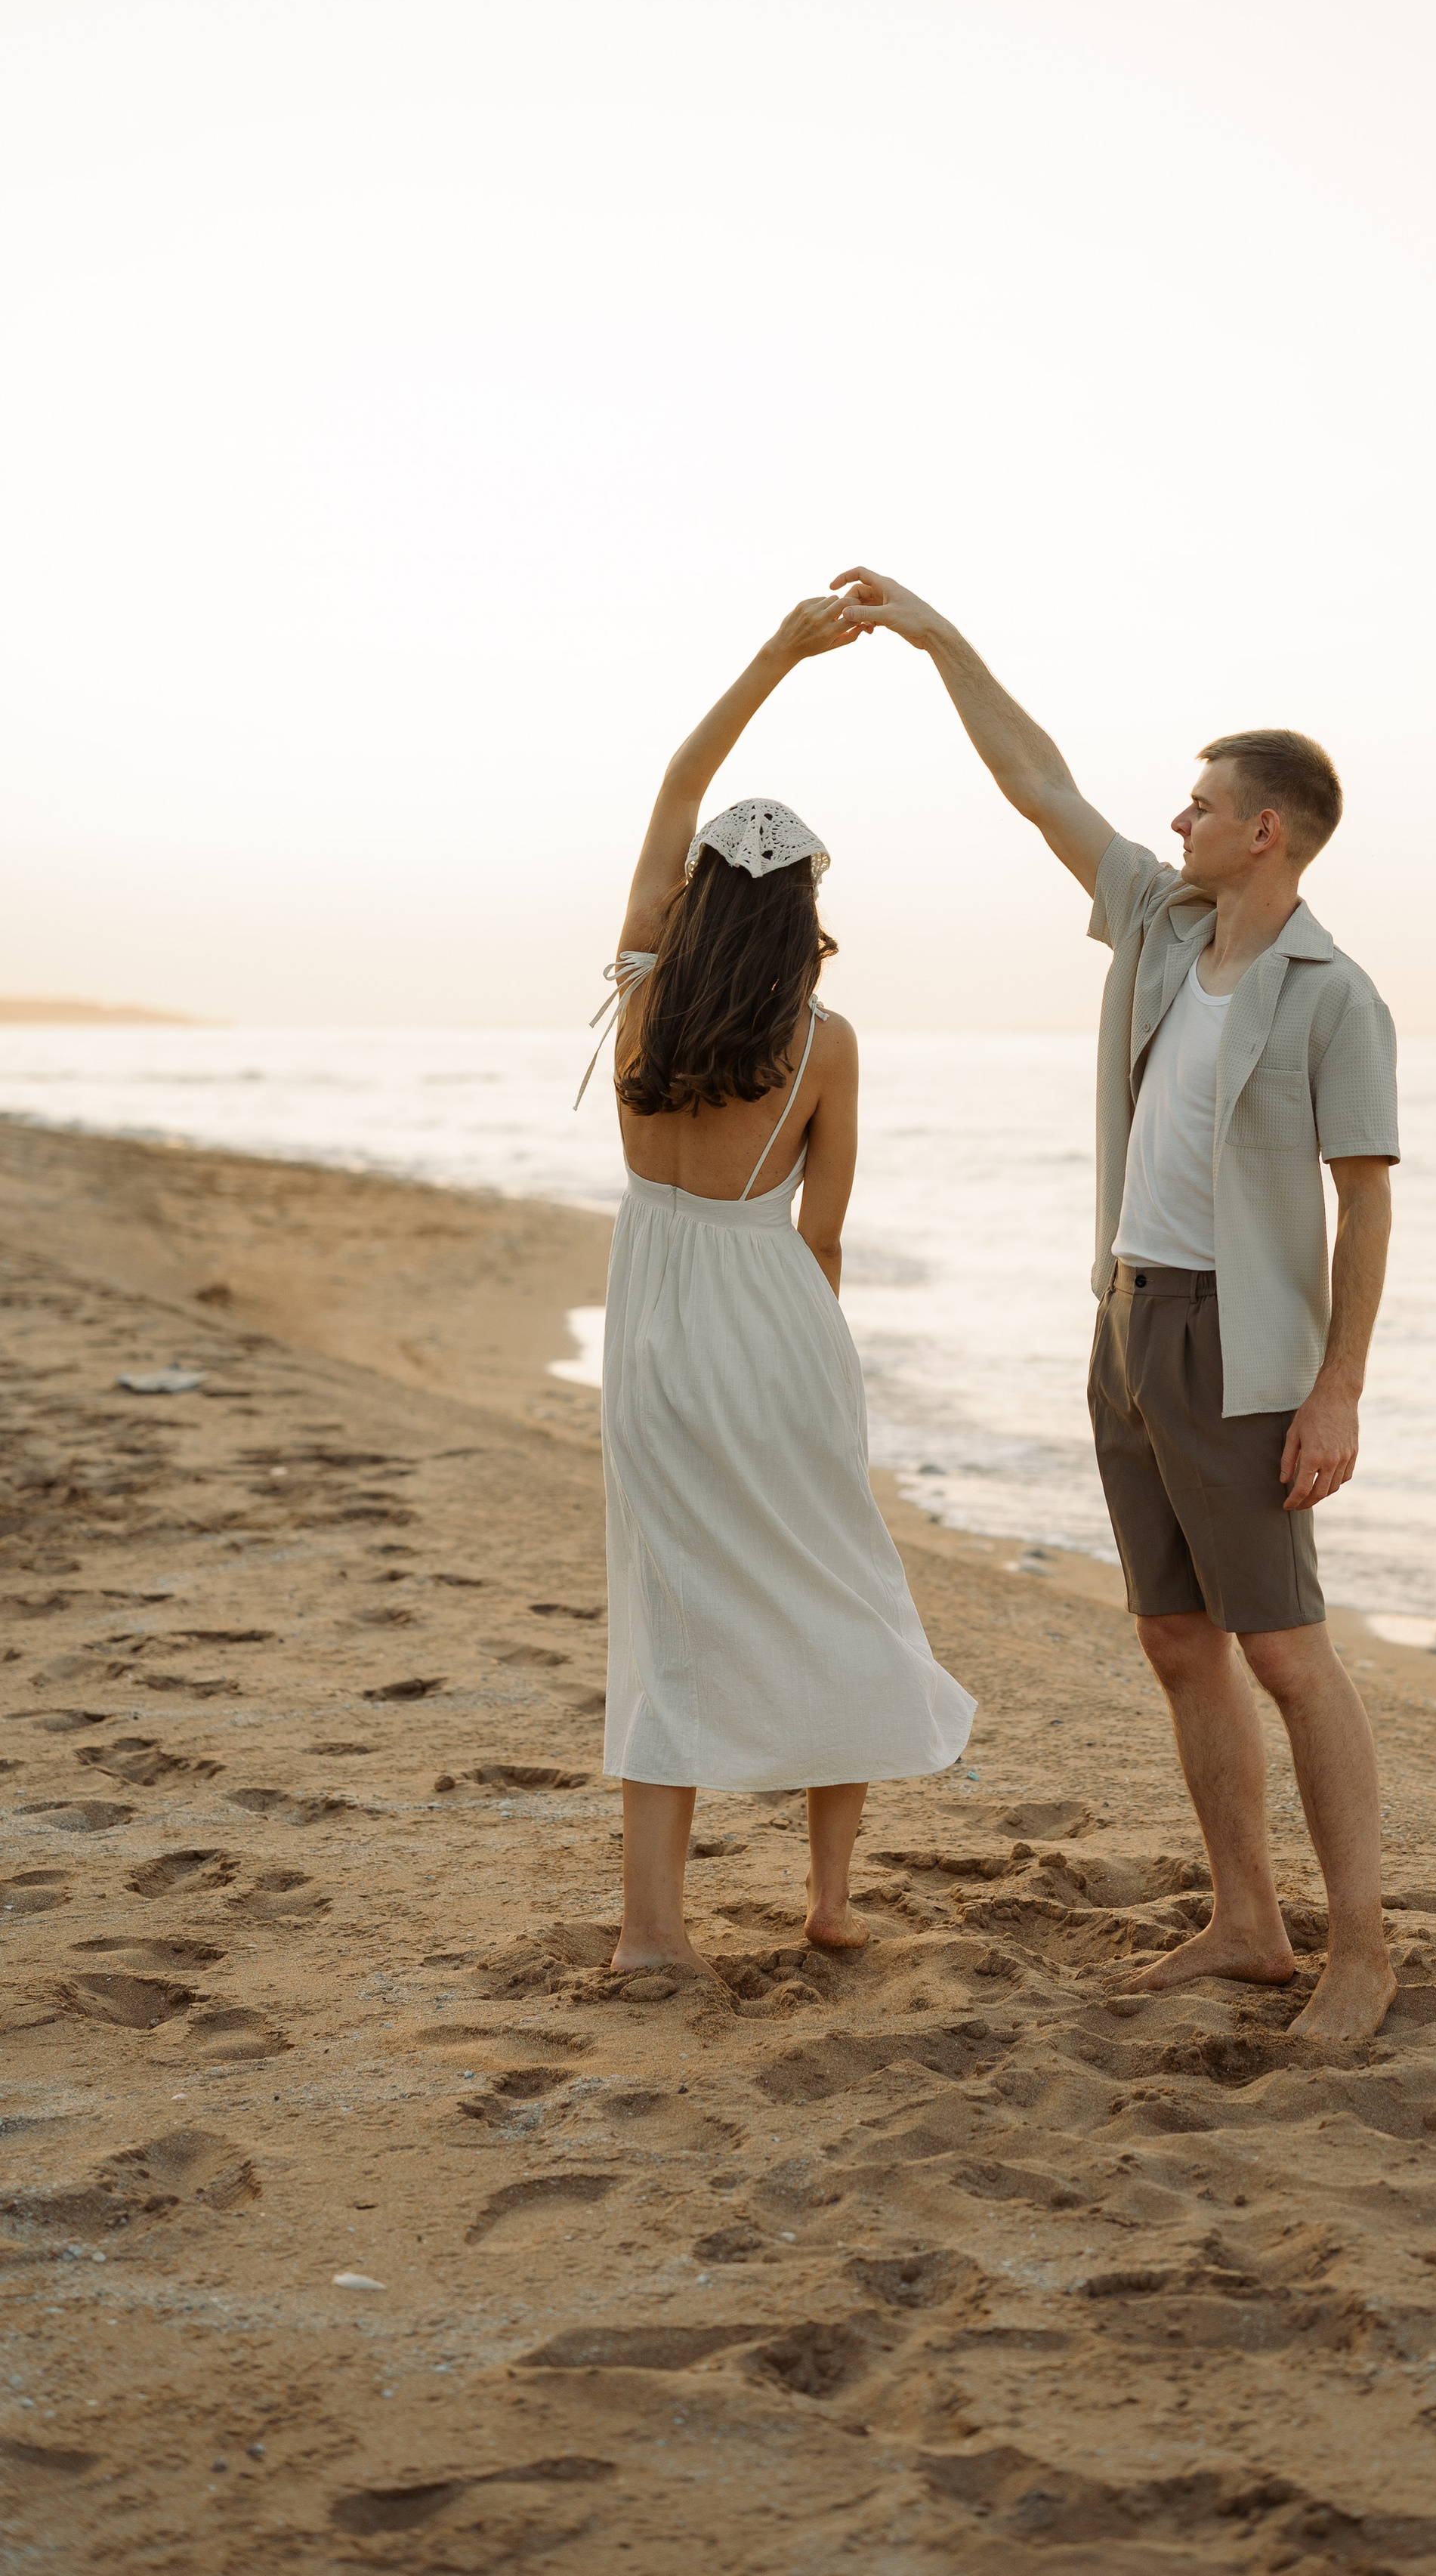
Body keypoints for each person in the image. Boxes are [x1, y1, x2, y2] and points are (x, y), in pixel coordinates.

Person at [830, 567, 1399, 2043]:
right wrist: (936, 635)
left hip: (1246, 1344)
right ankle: (1246, 1921)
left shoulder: (1335, 997)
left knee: (1284, 1645)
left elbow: (1366, 1202)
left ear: (1263, 828)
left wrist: (1335, 1390)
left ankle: (1364, 1944)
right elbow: (1036, 783)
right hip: (1127, 1322)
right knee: (1171, 1638)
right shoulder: (1155, 924)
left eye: (1200, 805)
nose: (1175, 822)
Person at [584, 592, 975, 1975]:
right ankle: (828, 1901)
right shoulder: (829, 1041)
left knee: (668, 1613)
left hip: (654, 1338)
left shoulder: (640, 993)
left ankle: (652, 1933)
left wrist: (777, 656)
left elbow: (679, 781)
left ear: (696, 890)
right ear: (807, 904)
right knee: (836, 1584)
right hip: (776, 1325)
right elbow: (825, 1235)